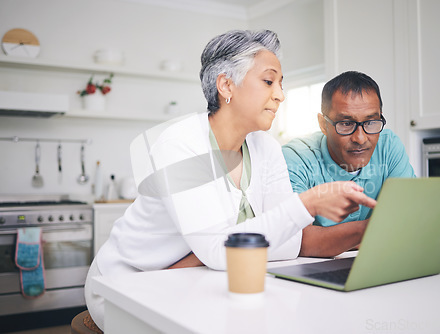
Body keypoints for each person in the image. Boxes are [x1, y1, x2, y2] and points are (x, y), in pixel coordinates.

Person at [84, 31, 376, 330]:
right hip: (127, 285)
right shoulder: (180, 144)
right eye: (268, 81)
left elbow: (289, 243)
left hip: (195, 279)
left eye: (280, 83)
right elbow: (217, 251)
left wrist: (209, 253)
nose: (280, 94)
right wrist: (308, 203)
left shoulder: (266, 147)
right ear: (226, 85)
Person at [282, 71, 415, 254]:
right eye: (346, 124)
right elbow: (296, 240)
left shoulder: (389, 145)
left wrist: (331, 238)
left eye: (370, 122)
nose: (360, 138)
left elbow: (409, 219)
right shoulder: (296, 157)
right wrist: (374, 231)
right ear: (323, 124)